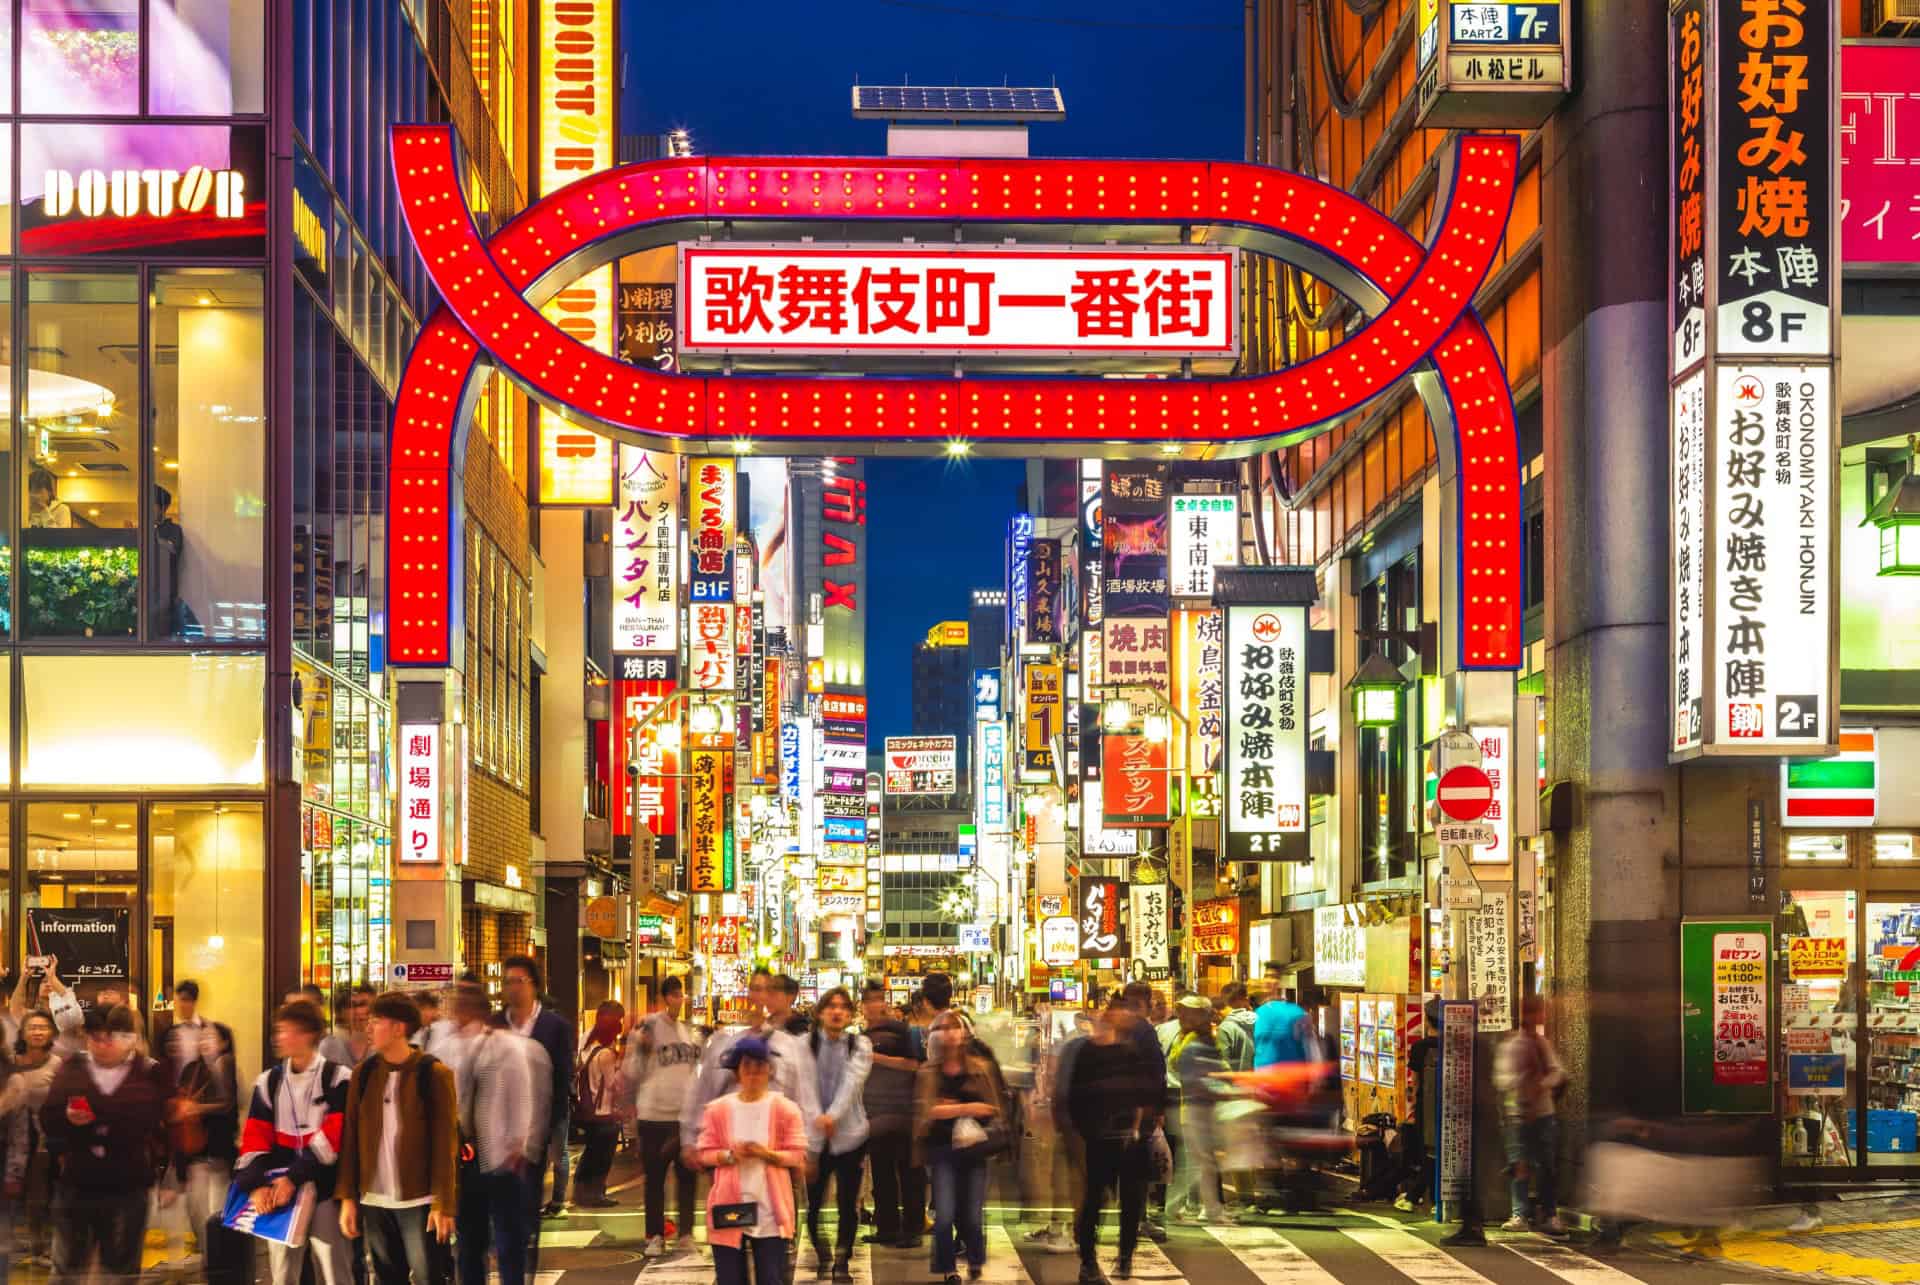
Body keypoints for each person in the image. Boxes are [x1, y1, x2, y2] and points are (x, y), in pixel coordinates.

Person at [40, 1004, 171, 1281]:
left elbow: (162, 1123)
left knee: (120, 1270)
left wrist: (170, 1177)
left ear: (129, 1039)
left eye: (109, 1038)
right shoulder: (73, 1067)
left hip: (128, 1184)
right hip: (77, 1182)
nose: (101, 1045)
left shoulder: (148, 1072)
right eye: (95, 1038)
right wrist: (66, 1119)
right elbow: (48, 1116)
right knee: (68, 1268)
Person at [336, 991, 459, 1283]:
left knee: (431, 1276)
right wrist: (348, 1199)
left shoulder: (433, 1073)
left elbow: (446, 1145)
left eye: (376, 1021)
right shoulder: (363, 1075)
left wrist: (444, 1204)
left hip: (420, 1201)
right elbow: (350, 1139)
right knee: (387, 1277)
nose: (368, 1027)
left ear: (399, 1028)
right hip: (375, 1199)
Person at [235, 999, 355, 1284]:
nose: (280, 1037)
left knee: (334, 1271)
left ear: (308, 1034)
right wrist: (255, 1186)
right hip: (279, 1194)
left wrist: (293, 1178)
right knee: (283, 1274)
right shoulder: (268, 1083)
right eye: (279, 1030)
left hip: (325, 1189)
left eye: (287, 1030)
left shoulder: (338, 1078)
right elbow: (254, 1138)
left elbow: (333, 1139)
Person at [445, 981, 547, 1285]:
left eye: (461, 1003)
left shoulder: (503, 1046)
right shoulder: (448, 1046)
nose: (456, 1010)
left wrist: (519, 1142)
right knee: (470, 1240)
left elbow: (521, 1094)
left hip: (502, 1155)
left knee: (507, 1238)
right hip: (464, 1156)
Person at [694, 1035, 810, 1285]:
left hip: (771, 1208)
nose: (754, 1073)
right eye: (747, 1066)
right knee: (730, 1279)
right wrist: (729, 1155)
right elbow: (704, 1152)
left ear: (770, 1070)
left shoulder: (785, 1109)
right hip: (729, 1205)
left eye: (760, 1067)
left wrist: (767, 1154)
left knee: (772, 1278)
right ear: (737, 1072)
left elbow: (797, 1154)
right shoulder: (718, 1109)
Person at [1068, 996, 1166, 1285]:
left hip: (1131, 1137)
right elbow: (1075, 1095)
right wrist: (1085, 1129)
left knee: (1131, 1201)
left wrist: (1146, 1120)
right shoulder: (1088, 1051)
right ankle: (1088, 1259)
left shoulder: (1131, 1049)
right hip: (1100, 1137)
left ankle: (1124, 1257)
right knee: (1095, 1200)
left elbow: (1150, 1088)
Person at [158, 978, 240, 1271]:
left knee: (215, 1209)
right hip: (195, 1148)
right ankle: (209, 1257)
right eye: (203, 1038)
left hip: (216, 1149)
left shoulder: (226, 1066)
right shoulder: (194, 1067)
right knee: (198, 1209)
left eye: (211, 1038)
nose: (204, 1041)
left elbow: (229, 1104)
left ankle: (217, 1260)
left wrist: (194, 1108)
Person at [917, 1012, 1000, 1285]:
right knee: (945, 1215)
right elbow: (928, 1110)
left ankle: (975, 1258)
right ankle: (948, 1268)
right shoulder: (929, 1071)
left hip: (974, 1150)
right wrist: (966, 1108)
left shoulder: (980, 1067)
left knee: (972, 1216)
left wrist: (950, 1107)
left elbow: (992, 1108)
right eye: (943, 1028)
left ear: (965, 1033)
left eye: (954, 1028)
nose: (949, 1033)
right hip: (941, 1150)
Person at [626, 975, 703, 1258]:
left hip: (683, 1118)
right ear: (663, 998)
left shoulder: (688, 1032)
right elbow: (631, 1072)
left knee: (687, 1178)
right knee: (655, 1179)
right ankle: (655, 1235)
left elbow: (695, 1074)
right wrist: (643, 1051)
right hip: (653, 1116)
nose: (677, 999)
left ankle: (685, 1234)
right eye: (672, 994)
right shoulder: (647, 1027)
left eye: (680, 994)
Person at [494, 955, 574, 1217]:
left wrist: (548, 1125)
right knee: (501, 1209)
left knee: (527, 1206)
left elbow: (563, 1077)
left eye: (519, 981)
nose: (513, 987)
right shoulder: (494, 1024)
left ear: (534, 985)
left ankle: (525, 1252)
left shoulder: (555, 1027)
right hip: (499, 1133)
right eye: (507, 982)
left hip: (537, 1132)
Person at [806, 986, 871, 1280]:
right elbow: (800, 1088)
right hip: (814, 1140)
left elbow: (851, 1083)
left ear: (850, 1014)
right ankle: (822, 1252)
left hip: (850, 1138)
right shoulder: (804, 1045)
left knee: (847, 1204)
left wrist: (831, 1116)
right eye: (831, 1006)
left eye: (843, 1007)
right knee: (814, 1205)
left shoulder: (860, 1045)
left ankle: (841, 1261)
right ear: (820, 1012)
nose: (837, 1011)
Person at [1495, 993, 1568, 1237]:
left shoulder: (1542, 1044)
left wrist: (1542, 1084)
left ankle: (1549, 1214)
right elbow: (1502, 1079)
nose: (1538, 1016)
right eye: (1535, 1011)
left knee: (1546, 1165)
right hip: (1518, 1113)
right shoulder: (1513, 1045)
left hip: (1543, 1112)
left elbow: (1558, 1072)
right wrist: (1522, 1083)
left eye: (1540, 1011)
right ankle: (1520, 1213)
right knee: (1519, 1164)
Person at [860, 979, 924, 1250]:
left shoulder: (902, 1031)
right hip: (875, 1116)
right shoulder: (862, 1037)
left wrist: (876, 1059)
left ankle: (912, 1229)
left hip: (904, 1114)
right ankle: (886, 1228)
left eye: (879, 999)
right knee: (882, 1176)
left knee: (909, 1174)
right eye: (870, 1001)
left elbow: (915, 1065)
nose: (876, 1005)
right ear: (862, 1007)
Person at [1164, 996, 1232, 1224]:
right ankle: (1199, 1208)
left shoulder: (1190, 1041)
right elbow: (1204, 1078)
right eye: (1183, 1013)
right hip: (1197, 1109)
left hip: (1194, 1108)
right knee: (1200, 1161)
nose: (1183, 1017)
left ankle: (1204, 1207)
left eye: (1188, 1013)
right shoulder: (1195, 1044)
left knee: (1198, 1160)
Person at [8, 1010, 62, 1269]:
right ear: (23, 1033)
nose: (38, 1032)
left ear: (51, 1032)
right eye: (32, 1027)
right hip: (12, 1140)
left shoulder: (58, 1064)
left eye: (43, 1027)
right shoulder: (11, 1061)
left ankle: (43, 1248)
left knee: (40, 1194)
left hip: (45, 1139)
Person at [572, 1001, 625, 1209]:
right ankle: (596, 1194)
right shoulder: (606, 1055)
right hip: (604, 1114)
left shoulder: (588, 1048)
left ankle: (582, 1193)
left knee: (590, 1154)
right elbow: (614, 1086)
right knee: (602, 1159)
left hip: (589, 1112)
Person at [1215, 984, 1256, 1073]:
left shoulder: (1225, 1027)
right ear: (1246, 998)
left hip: (1237, 1082)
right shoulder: (1260, 1020)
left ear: (1224, 1001)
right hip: (1259, 1080)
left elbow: (1224, 1062)